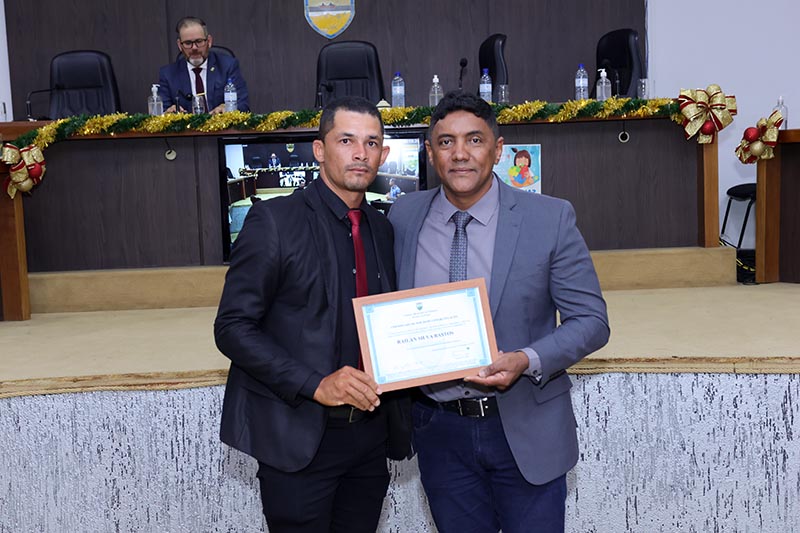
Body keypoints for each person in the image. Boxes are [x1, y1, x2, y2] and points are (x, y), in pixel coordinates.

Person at [388, 91, 610, 533]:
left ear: (498, 149)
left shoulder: (549, 218)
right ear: (430, 154)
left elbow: (591, 321)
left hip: (525, 424)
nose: (460, 154)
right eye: (446, 142)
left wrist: (526, 359)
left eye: (474, 140)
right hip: (439, 430)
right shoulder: (403, 216)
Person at [214, 96, 411, 533]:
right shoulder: (274, 220)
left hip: (370, 437)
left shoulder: (382, 228)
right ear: (320, 150)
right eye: (346, 140)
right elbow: (231, 327)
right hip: (300, 438)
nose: (360, 153)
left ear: (383, 154)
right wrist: (315, 384)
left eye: (371, 143)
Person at [158, 16, 249, 114]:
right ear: (180, 45)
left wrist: (228, 107)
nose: (194, 48)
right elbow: (162, 112)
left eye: (199, 41)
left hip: (220, 123)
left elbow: (243, 104)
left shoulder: (228, 66)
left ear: (209, 41)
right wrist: (169, 112)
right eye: (188, 43)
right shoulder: (168, 74)